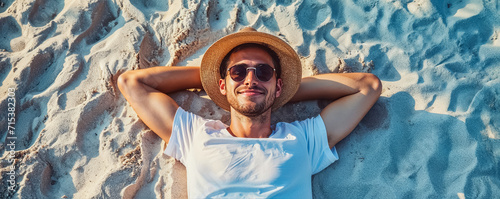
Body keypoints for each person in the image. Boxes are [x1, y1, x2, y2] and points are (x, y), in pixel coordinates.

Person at [117, 27, 382, 198]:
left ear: (278, 85)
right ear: (222, 84)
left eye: (263, 72)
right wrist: (219, 81)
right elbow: (133, 83)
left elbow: (367, 87)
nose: (250, 79)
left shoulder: (302, 140)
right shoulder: (196, 136)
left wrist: (279, 90)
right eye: (238, 71)